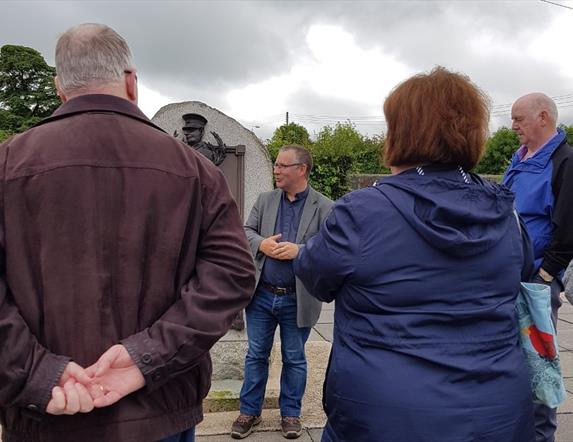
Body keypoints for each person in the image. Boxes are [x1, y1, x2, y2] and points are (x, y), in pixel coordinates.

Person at [0, 23, 256, 442]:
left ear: (59, 87)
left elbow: (230, 274)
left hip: (43, 417)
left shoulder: (8, 164)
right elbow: (232, 276)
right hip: (157, 414)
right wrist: (146, 358)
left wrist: (36, 371)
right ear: (131, 82)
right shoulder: (195, 171)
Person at [293, 67, 535, 442]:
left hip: (387, 414)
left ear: (401, 134)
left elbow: (315, 274)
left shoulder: (362, 212)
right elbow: (523, 269)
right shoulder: (507, 213)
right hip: (497, 411)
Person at [231, 145, 333, 440]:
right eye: (276, 165)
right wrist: (261, 244)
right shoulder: (264, 201)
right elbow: (245, 231)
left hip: (297, 298)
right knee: (256, 355)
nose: (276, 170)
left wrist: (301, 251)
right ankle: (249, 412)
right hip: (261, 295)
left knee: (295, 357)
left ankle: (291, 414)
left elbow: (331, 247)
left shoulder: (325, 207)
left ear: (301, 170)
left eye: (282, 165)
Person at [502, 92, 573, 442]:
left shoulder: (565, 161)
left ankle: (541, 436)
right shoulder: (520, 158)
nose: (512, 126)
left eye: (519, 119)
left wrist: (546, 274)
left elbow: (570, 225)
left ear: (543, 117)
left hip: (536, 282)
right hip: (508, 275)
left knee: (538, 364)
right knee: (510, 363)